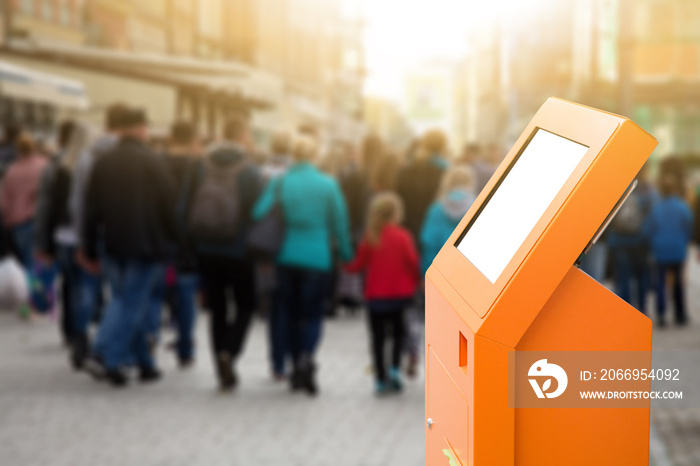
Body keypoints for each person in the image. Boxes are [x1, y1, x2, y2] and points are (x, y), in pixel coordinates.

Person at [80, 108, 176, 386]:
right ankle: (109, 356)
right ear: (141, 129)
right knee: (130, 301)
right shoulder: (154, 162)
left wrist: (89, 246)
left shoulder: (104, 161)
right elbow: (169, 206)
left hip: (112, 242)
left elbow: (91, 208)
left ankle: (145, 362)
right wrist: (177, 243)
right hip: (147, 244)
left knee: (125, 300)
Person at [253, 134, 353, 395]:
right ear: (315, 156)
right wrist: (345, 252)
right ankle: (306, 357)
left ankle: (285, 363)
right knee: (311, 313)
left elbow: (257, 213)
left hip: (285, 255)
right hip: (318, 258)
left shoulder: (279, 182)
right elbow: (340, 223)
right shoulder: (328, 184)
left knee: (284, 311)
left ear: (293, 156)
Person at [194, 116, 263, 392]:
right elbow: (257, 210)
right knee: (246, 304)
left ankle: (218, 367)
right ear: (243, 135)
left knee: (217, 308)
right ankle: (230, 353)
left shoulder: (201, 165)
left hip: (207, 247)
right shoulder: (249, 169)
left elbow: (186, 205)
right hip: (240, 248)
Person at [70, 103, 129, 364]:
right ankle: (111, 344)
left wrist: (82, 238)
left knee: (88, 286)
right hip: (121, 233)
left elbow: (78, 200)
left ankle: (80, 338)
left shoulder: (87, 155)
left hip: (91, 230)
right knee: (120, 293)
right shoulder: (127, 154)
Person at [345, 192, 419, 395]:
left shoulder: (371, 236)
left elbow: (358, 265)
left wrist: (343, 264)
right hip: (400, 295)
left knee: (377, 338)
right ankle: (395, 368)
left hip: (375, 296)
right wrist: (417, 281)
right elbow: (413, 263)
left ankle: (379, 378)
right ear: (397, 213)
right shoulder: (403, 236)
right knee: (398, 334)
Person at [33, 120, 88, 356]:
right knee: (85, 285)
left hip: (60, 234)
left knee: (68, 283)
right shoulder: (90, 164)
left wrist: (43, 242)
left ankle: (69, 331)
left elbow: (44, 207)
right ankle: (81, 331)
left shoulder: (53, 167)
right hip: (84, 235)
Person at [161, 120, 202, 368]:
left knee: (158, 291)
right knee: (186, 296)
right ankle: (185, 348)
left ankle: (150, 339)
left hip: (160, 238)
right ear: (193, 140)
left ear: (171, 137)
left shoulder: (157, 162)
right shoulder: (198, 167)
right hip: (188, 240)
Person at [644, 174, 693, 327]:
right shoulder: (682, 206)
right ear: (673, 190)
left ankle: (661, 314)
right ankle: (680, 314)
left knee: (660, 282)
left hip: (660, 250)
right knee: (677, 282)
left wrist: (653, 243)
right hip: (678, 249)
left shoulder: (656, 208)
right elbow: (688, 226)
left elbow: (648, 229)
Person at [608, 166, 657, 313]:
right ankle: (642, 309)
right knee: (642, 276)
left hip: (619, 241)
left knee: (623, 278)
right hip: (640, 242)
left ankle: (625, 311)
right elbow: (653, 215)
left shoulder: (618, 187)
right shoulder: (647, 190)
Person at [0, 132, 48, 269]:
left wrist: (7, 223)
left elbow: (5, 202)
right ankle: (35, 289)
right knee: (38, 266)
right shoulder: (43, 165)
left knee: (23, 265)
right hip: (37, 222)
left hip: (17, 225)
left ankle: (26, 288)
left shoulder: (12, 170)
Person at [420, 166, 477, 275]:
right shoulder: (477, 208)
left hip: (440, 269)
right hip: (468, 271)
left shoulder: (436, 209)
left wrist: (426, 273)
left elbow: (429, 242)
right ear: (470, 182)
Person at [396, 129, 449, 243]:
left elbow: (398, 197)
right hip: (433, 229)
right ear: (443, 146)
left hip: (408, 227)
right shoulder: (446, 172)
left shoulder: (407, 168)